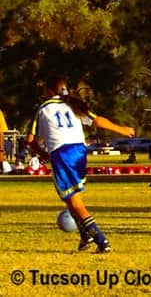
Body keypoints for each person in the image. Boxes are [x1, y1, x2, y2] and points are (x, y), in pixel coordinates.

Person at [26, 75, 135, 253]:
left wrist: (43, 154)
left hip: (62, 153)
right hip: (80, 151)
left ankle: (102, 241)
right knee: (70, 197)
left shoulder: (42, 108)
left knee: (75, 202)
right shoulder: (73, 104)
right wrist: (122, 129)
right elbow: (98, 121)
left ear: (49, 91)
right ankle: (86, 236)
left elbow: (30, 140)